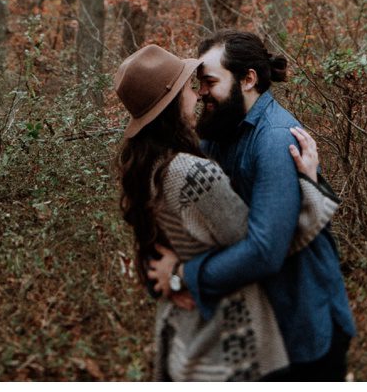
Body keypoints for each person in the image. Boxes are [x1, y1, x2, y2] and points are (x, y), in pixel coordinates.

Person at [114, 44, 340, 381]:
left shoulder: (146, 165)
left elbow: (155, 259)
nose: (198, 95)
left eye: (205, 83)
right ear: (171, 104)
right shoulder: (191, 170)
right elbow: (261, 246)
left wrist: (177, 274)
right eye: (190, 88)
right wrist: (309, 188)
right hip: (223, 346)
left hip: (185, 338)